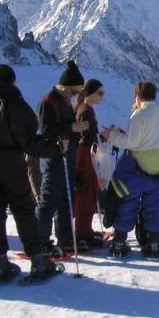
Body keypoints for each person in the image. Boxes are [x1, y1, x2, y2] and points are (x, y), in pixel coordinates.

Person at [0, 64, 64, 282]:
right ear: (13, 82)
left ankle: (0, 263)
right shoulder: (16, 105)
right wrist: (55, 148)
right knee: (23, 209)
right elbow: (29, 141)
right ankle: (38, 260)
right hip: (11, 163)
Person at [101, 82, 159, 259]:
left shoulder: (139, 114)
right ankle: (154, 243)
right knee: (154, 203)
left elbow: (133, 142)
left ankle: (119, 241)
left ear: (138, 95)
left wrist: (111, 135)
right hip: (158, 162)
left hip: (138, 164)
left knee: (129, 201)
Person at [35, 61, 89, 255]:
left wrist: (75, 133)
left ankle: (65, 237)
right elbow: (47, 130)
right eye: (74, 91)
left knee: (67, 198)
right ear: (65, 86)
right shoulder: (47, 102)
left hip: (67, 155)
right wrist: (71, 129)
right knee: (49, 198)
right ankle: (39, 241)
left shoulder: (63, 102)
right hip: (53, 156)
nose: (75, 95)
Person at [73, 79, 107, 249]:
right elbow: (85, 137)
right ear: (90, 93)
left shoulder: (85, 109)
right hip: (85, 154)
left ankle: (85, 229)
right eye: (99, 93)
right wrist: (104, 136)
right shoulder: (86, 110)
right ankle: (81, 232)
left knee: (89, 192)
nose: (102, 96)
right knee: (86, 192)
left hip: (86, 153)